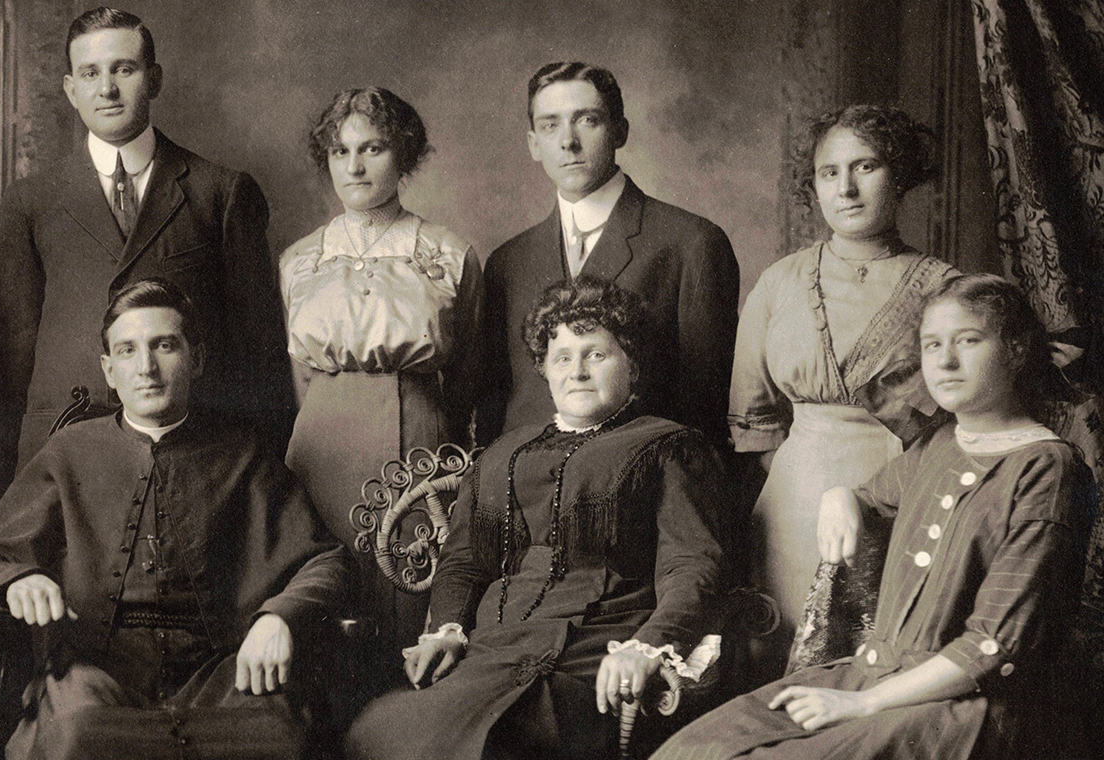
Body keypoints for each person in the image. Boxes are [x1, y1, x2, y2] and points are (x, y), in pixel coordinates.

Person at [651, 273, 1094, 759]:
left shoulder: (1047, 467)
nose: (944, 362)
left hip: (961, 706)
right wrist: (839, 495)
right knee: (694, 747)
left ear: (1015, 351)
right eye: (931, 345)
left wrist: (861, 704)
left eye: (968, 341)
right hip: (874, 672)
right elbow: (872, 495)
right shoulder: (941, 442)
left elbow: (994, 647)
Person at [0, 279, 349, 759]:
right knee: (78, 735)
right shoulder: (69, 452)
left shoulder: (245, 453)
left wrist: (280, 618)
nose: (145, 368)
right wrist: (18, 579)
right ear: (109, 369)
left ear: (197, 359)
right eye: (127, 351)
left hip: (221, 671)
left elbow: (324, 560)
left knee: (280, 735)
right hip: (97, 672)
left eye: (164, 345)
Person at [347, 276, 725, 760]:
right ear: (544, 369)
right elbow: (464, 562)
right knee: (381, 730)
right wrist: (446, 631)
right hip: (492, 650)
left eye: (597, 354)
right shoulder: (502, 454)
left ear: (632, 365)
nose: (578, 372)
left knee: (502, 741)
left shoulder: (667, 446)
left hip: (595, 652)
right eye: (562, 357)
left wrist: (647, 646)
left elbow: (691, 565)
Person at [0, 6, 292, 468]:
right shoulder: (30, 200)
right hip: (63, 443)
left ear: (153, 79)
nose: (107, 89)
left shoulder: (221, 191)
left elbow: (257, 348)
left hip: (195, 443)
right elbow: (15, 348)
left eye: (123, 69)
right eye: (90, 73)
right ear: (71, 90)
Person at [729, 105, 959, 673]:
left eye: (866, 167)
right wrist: (800, 486)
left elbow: (964, 419)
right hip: (791, 504)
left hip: (907, 495)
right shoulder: (780, 282)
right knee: (780, 664)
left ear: (899, 175)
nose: (847, 188)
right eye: (829, 173)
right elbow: (751, 419)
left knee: (879, 666)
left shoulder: (946, 288)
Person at [278, 87, 482, 659]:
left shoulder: (449, 253)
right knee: (320, 592)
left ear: (405, 155)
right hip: (320, 446)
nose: (356, 165)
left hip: (418, 440)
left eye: (373, 148)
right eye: (341, 152)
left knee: (408, 593)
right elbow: (300, 380)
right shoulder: (298, 260)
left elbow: (469, 377)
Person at [479, 62, 739, 446]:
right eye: (550, 124)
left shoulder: (692, 243)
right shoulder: (506, 263)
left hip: (640, 487)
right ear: (534, 143)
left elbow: (705, 413)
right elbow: (495, 408)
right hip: (524, 490)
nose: (568, 141)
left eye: (587, 120)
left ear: (620, 131)